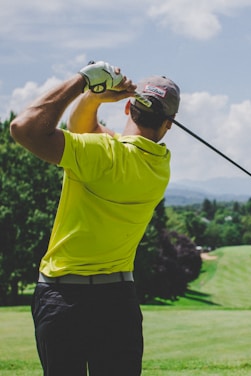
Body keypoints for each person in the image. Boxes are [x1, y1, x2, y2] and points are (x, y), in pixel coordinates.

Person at [10, 61, 180, 376]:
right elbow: (85, 130)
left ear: (129, 106)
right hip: (118, 302)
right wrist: (93, 98)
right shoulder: (159, 168)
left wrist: (86, 81)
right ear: (168, 124)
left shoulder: (100, 153)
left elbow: (24, 128)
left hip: (61, 298)